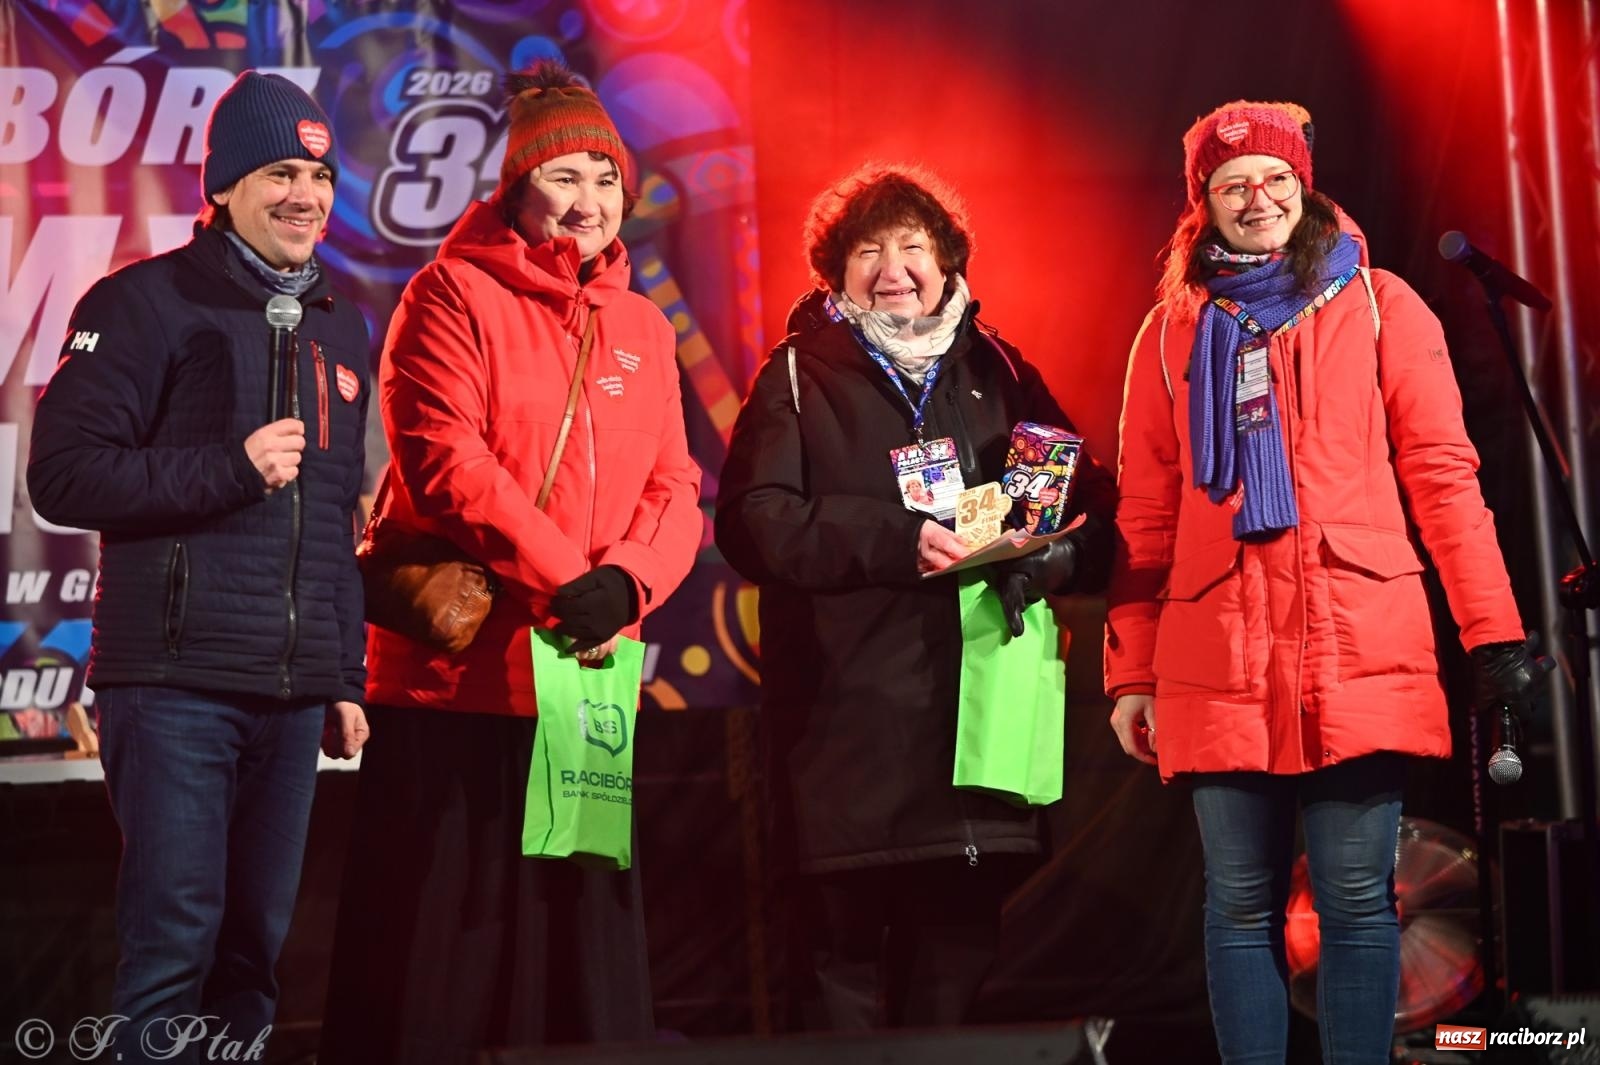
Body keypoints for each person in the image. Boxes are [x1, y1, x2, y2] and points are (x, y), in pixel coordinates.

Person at [1103, 100, 1542, 1065]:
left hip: (1356, 637)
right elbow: (1145, 514)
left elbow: (1443, 477)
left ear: (1304, 188)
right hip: (1217, 651)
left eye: (1274, 179)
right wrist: (1131, 672)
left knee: (1353, 899)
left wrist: (1493, 632)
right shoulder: (1169, 333)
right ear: (1203, 205)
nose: (1256, 198)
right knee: (1238, 903)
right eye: (1232, 185)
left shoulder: (1383, 305)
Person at [318, 61, 702, 1064]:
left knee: (580, 967)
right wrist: (569, 580)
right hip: (461, 688)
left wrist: (626, 584)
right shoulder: (449, 292)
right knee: (440, 970)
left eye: (606, 180)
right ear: (516, 188)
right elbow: (445, 461)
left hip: (584, 686)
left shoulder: (642, 325)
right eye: (564, 176)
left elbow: (676, 485)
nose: (589, 201)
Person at [715, 162, 1116, 1031]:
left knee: (951, 984)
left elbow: (1089, 508)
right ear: (837, 272)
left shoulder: (999, 367)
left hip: (981, 737)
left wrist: (1041, 562)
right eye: (868, 251)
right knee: (841, 989)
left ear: (947, 261)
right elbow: (753, 522)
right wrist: (896, 540)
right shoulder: (797, 375)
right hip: (846, 738)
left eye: (912, 246)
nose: (893, 269)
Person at [27, 71, 370, 1063]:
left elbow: (333, 517)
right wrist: (229, 467)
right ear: (222, 187)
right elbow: (63, 474)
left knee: (253, 958)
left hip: (290, 697)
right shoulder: (141, 302)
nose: (305, 195)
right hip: (175, 687)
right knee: (171, 954)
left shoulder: (338, 321)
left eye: (320, 175)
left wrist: (342, 675)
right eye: (280, 173)